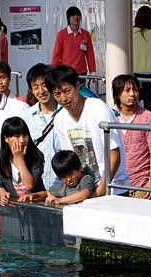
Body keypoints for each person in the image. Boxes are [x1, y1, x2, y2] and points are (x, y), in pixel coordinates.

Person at [46, 64, 130, 197]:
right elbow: (71, 160)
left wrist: (101, 189)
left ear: (77, 85)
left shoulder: (98, 110)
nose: (63, 98)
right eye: (57, 94)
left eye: (67, 91)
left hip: (114, 188)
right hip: (86, 189)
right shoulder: (59, 119)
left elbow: (114, 154)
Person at [112, 74, 151, 199]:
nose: (132, 94)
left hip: (141, 184)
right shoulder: (111, 117)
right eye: (127, 90)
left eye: (135, 90)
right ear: (118, 94)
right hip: (116, 184)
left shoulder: (148, 118)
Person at [20, 63, 61, 190]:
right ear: (31, 90)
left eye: (44, 85)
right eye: (35, 87)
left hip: (64, 184)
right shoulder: (25, 117)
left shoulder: (66, 113)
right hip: (36, 185)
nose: (41, 91)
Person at [0, 117, 46, 206]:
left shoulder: (36, 156)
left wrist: (20, 159)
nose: (22, 140)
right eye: (17, 136)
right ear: (6, 138)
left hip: (34, 208)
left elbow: (29, 185)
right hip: (11, 210)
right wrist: (3, 194)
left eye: (25, 135)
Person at [51, 6, 96, 75]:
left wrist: (93, 71)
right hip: (66, 72)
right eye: (73, 15)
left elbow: (90, 54)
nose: (76, 17)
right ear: (68, 18)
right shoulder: (61, 34)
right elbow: (56, 55)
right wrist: (53, 71)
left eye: (78, 15)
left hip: (81, 72)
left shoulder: (85, 34)